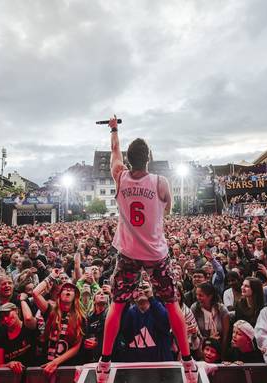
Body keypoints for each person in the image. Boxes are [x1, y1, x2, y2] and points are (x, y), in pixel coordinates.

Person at [97, 116, 197, 383]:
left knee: (116, 306)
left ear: (129, 160)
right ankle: (187, 361)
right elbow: (169, 208)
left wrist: (114, 128)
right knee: (172, 304)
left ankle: (104, 362)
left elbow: (114, 152)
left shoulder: (119, 177)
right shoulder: (159, 182)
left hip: (128, 253)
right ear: (149, 158)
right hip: (155, 254)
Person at [32, 270, 85, 378]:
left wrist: (56, 362)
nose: (68, 291)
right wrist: (51, 276)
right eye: (64, 289)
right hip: (46, 364)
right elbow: (35, 293)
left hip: (67, 367)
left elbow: (76, 347)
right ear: (59, 295)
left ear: (75, 296)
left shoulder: (81, 318)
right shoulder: (50, 310)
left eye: (71, 289)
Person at [118, 281, 173, 362]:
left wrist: (151, 298)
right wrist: (126, 298)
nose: (141, 291)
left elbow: (165, 323)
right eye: (137, 289)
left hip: (159, 363)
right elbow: (123, 331)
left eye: (144, 288)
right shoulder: (130, 312)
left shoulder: (159, 307)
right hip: (135, 364)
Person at [190, 282, 231, 358]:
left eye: (201, 295)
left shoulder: (221, 309)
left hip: (218, 347)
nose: (197, 297)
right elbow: (194, 332)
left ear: (210, 296)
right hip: (200, 348)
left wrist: (222, 353)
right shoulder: (194, 308)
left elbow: (226, 335)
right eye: (197, 295)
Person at [0, 302, 37, 373]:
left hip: (34, 375)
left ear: (16, 310)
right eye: (2, 317)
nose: (5, 319)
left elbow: (28, 318)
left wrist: (22, 300)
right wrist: (9, 364)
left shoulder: (29, 327)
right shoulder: (1, 336)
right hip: (13, 378)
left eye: (7, 314)